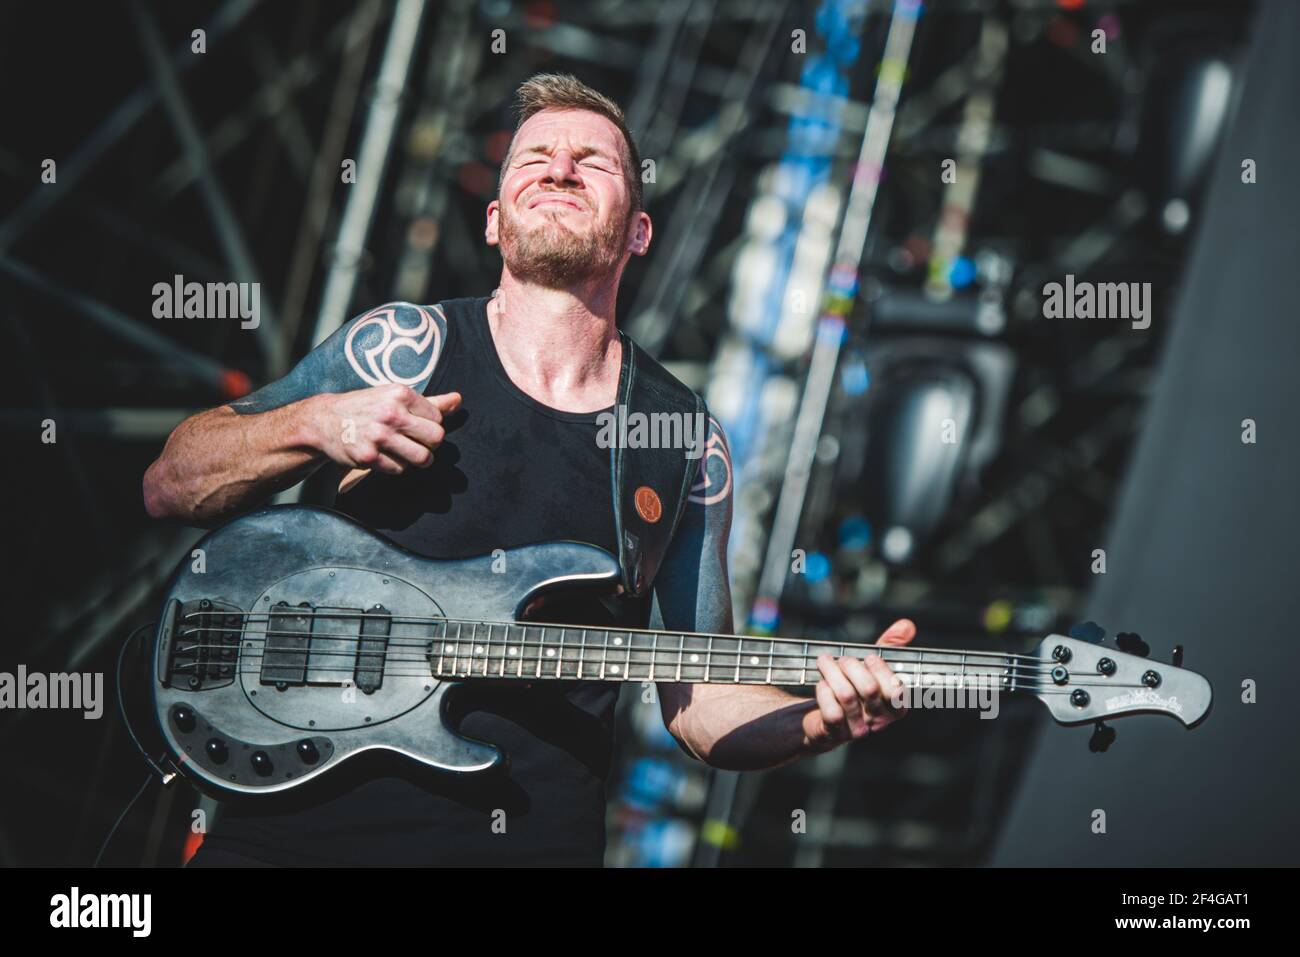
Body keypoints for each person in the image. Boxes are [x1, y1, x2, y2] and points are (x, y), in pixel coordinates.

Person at [142, 73, 917, 866]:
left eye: (594, 161)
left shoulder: (681, 438)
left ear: (640, 231)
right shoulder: (402, 347)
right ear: (493, 219)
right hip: (290, 839)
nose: (559, 169)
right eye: (534, 157)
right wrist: (317, 422)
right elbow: (173, 482)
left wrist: (815, 722)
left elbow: (697, 700)